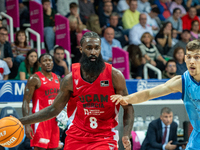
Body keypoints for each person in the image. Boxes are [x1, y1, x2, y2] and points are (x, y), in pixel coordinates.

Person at [19, 31, 134, 150]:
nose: (93, 52)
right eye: (89, 48)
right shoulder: (70, 79)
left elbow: (128, 107)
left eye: (96, 48)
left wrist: (126, 134)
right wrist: (21, 121)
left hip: (104, 137)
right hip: (76, 136)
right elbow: (53, 109)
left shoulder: (115, 75)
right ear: (81, 49)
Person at [111, 39, 200, 150]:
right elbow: (149, 93)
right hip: (197, 139)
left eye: (197, 57)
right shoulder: (182, 81)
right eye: (189, 57)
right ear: (185, 58)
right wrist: (127, 98)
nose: (192, 61)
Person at [22, 53, 60, 150]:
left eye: (50, 60)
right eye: (45, 61)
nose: (48, 63)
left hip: (54, 121)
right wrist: (27, 124)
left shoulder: (58, 78)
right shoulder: (34, 78)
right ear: (40, 64)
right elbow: (26, 102)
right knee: (40, 149)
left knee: (55, 148)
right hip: (40, 121)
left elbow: (61, 100)